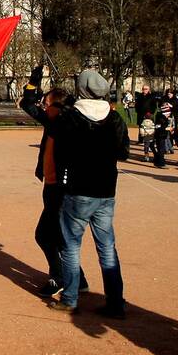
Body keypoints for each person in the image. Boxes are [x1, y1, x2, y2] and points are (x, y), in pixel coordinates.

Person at [48, 69, 129, 318]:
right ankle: (115, 302)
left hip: (78, 190)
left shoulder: (70, 117)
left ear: (81, 89)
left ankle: (70, 297)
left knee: (71, 246)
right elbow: (123, 153)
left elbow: (59, 152)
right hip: (106, 191)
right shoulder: (115, 119)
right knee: (107, 248)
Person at [19, 66, 87, 298]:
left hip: (63, 189)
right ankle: (79, 277)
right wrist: (34, 80)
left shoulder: (69, 123)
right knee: (56, 236)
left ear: (58, 107)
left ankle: (58, 277)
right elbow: (26, 105)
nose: (43, 107)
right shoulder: (52, 121)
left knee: (46, 235)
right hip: (51, 185)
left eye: (47, 104)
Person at [152, 101, 172, 168]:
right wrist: (166, 129)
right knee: (161, 149)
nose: (168, 115)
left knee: (161, 149)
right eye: (167, 113)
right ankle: (161, 163)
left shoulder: (164, 117)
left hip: (162, 135)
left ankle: (158, 161)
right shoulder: (160, 118)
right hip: (159, 135)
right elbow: (158, 127)